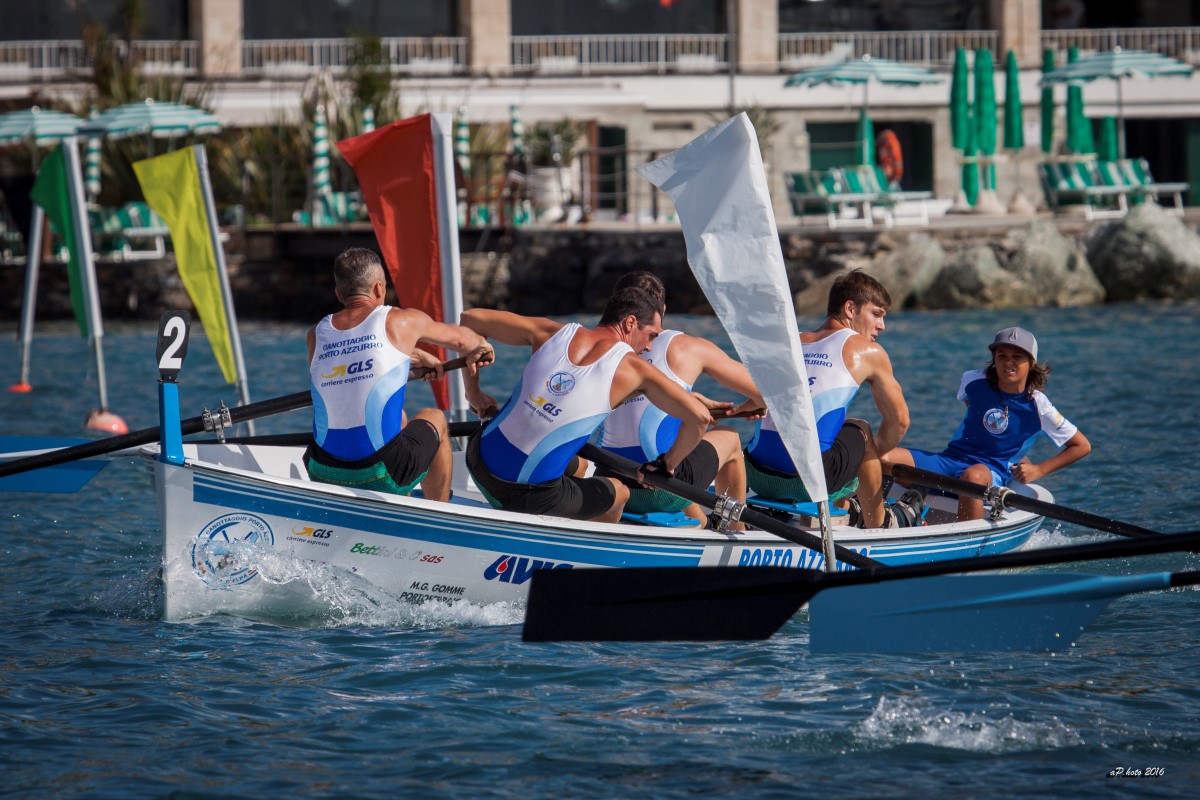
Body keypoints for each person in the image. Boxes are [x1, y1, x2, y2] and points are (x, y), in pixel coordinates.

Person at [460, 287, 712, 523]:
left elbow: (470, 319)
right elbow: (700, 418)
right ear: (630, 323)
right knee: (619, 491)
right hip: (526, 497)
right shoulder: (635, 370)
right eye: (651, 336)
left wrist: (474, 393)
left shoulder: (551, 332)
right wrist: (666, 464)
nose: (649, 346)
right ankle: (586, 559)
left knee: (580, 463)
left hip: (477, 458)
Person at [304, 247, 494, 502]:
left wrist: (411, 356)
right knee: (434, 416)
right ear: (379, 289)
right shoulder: (401, 320)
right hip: (381, 473)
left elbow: (350, 365)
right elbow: (464, 341)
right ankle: (437, 515)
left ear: (339, 294)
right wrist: (482, 346)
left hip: (321, 469)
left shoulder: (315, 335)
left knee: (401, 419)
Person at [597, 270, 765, 528]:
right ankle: (735, 532)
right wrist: (743, 409)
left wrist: (690, 399)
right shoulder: (687, 347)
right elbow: (764, 392)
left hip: (610, 478)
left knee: (675, 440)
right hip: (660, 489)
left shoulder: (596, 344)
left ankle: (698, 522)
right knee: (730, 439)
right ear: (661, 309)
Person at [744, 269, 910, 528]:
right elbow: (900, 422)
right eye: (876, 314)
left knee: (834, 435)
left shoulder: (791, 343)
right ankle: (880, 524)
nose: (882, 326)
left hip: (756, 473)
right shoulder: (868, 351)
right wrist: (870, 458)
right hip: (807, 482)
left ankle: (845, 505)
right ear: (850, 308)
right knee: (861, 430)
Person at [883, 326, 1091, 522]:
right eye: (1002, 356)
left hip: (990, 472)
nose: (1008, 362)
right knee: (881, 458)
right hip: (950, 460)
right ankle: (876, 520)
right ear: (994, 360)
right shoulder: (973, 381)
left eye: (1017, 357)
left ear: (1031, 363)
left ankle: (966, 544)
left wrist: (1039, 470)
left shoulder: (1039, 405)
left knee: (973, 476)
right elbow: (973, 411)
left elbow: (1081, 446)